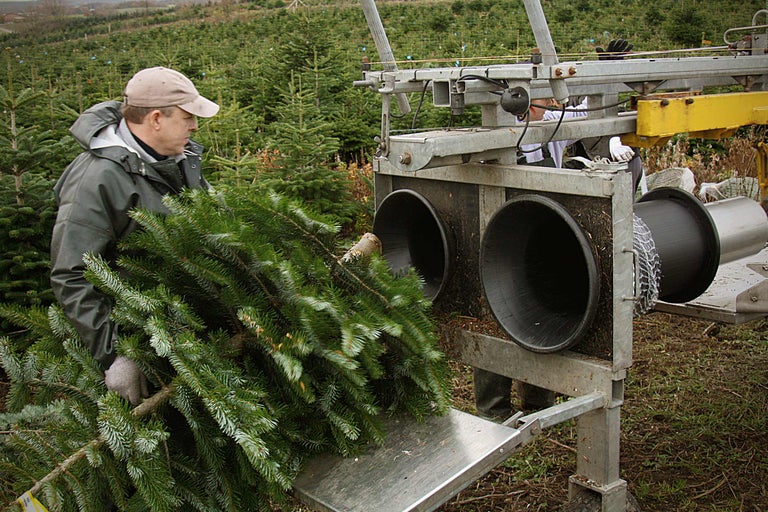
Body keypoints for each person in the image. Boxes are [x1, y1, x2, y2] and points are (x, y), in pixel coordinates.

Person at [50, 67, 220, 406]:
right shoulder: (97, 181)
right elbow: (71, 275)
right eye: (188, 117)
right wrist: (114, 356)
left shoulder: (180, 159)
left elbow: (214, 221)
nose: (195, 126)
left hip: (193, 326)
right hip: (145, 339)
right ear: (156, 119)